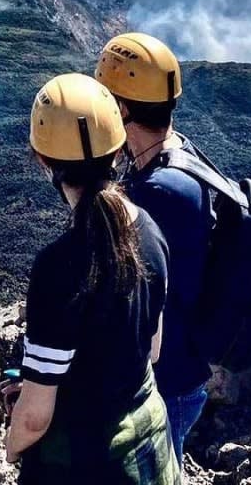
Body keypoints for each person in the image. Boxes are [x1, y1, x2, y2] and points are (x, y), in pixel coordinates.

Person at [2, 73, 179, 485]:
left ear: (43, 160)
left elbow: (34, 419)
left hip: (83, 462)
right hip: (150, 449)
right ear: (117, 149)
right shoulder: (151, 231)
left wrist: (11, 447)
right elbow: (151, 350)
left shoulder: (58, 266)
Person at [94, 33, 214, 467]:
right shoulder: (180, 158)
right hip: (186, 370)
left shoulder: (157, 193)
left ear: (122, 109)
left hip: (168, 380)